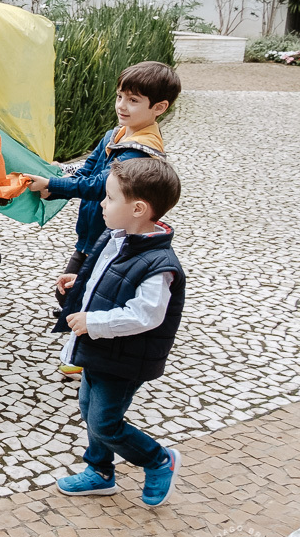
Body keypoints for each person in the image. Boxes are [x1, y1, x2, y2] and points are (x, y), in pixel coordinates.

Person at [25, 61, 181, 375]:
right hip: (93, 230)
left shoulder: (139, 151)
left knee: (89, 291)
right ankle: (86, 340)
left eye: (134, 100)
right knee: (74, 289)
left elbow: (98, 185)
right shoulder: (117, 134)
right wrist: (60, 176)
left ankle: (91, 352)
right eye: (120, 96)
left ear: (159, 107)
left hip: (114, 234)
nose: (122, 106)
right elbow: (88, 170)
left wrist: (55, 186)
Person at [53, 158, 185, 507]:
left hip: (125, 359)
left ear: (138, 208)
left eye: (110, 198)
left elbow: (146, 315)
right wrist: (77, 283)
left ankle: (158, 459)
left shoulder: (160, 265)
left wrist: (94, 323)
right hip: (100, 351)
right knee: (88, 408)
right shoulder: (117, 237)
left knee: (106, 422)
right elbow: (105, 279)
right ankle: (100, 472)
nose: (102, 203)